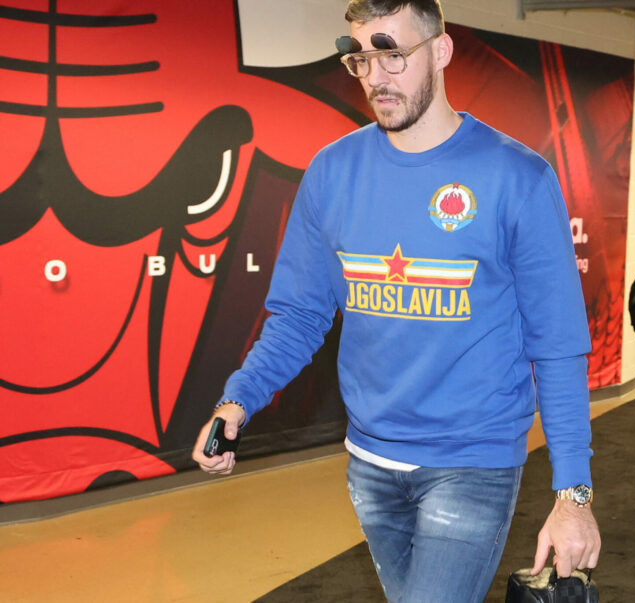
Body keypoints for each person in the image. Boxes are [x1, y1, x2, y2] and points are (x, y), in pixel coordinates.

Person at [193, 1, 601, 599]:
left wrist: (574, 497)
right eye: (360, 58)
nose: (375, 77)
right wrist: (238, 400)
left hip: (472, 463)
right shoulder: (332, 172)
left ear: (441, 51)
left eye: (393, 55)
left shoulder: (518, 177)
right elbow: (299, 316)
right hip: (370, 464)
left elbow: (558, 346)